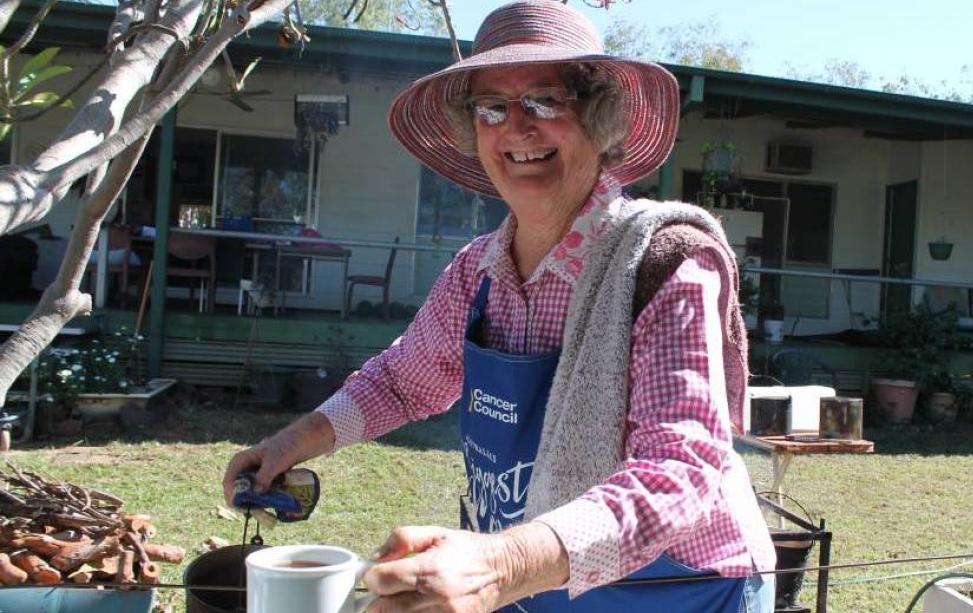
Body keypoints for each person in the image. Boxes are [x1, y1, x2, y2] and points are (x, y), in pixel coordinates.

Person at [222, 2, 776, 611]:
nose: (517, 128)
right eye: (492, 108)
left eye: (545, 100)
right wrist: (291, 444)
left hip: (681, 587)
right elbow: (405, 381)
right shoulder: (476, 271)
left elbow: (681, 471)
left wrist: (501, 563)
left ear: (598, 117)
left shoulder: (665, 261)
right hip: (542, 579)